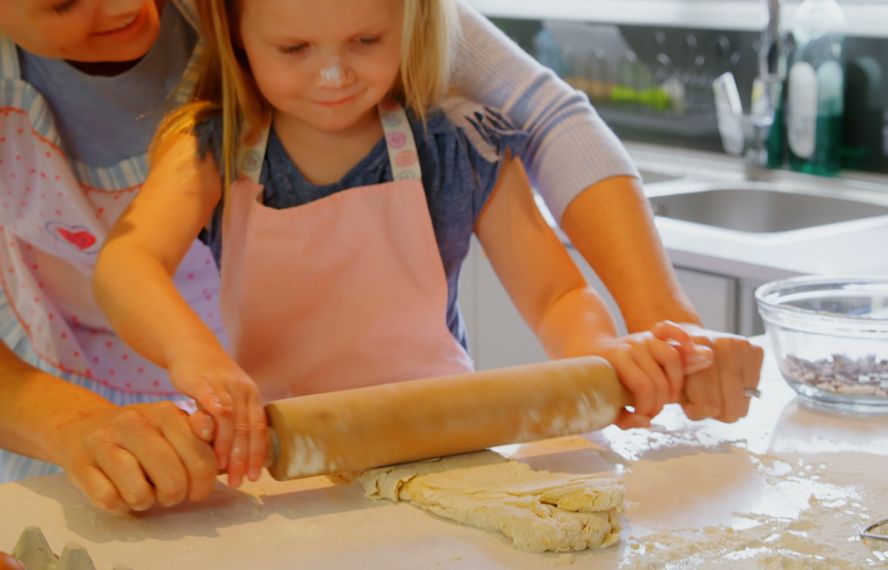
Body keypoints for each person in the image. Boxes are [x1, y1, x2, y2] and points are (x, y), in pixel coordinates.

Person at [0, 0, 760, 512]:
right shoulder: (207, 139)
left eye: (362, 43)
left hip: (340, 423)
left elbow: (548, 127)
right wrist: (85, 422)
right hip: (102, 388)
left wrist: (653, 336)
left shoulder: (443, 134)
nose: (124, 4)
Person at [94, 0, 723, 497]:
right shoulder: (215, 147)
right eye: (294, 49)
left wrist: (598, 351)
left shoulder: (458, 144)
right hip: (284, 465)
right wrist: (196, 358)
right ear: (234, 33)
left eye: (366, 41)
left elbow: (555, 291)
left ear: (411, 19)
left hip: (446, 453)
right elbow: (128, 263)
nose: (334, 73)